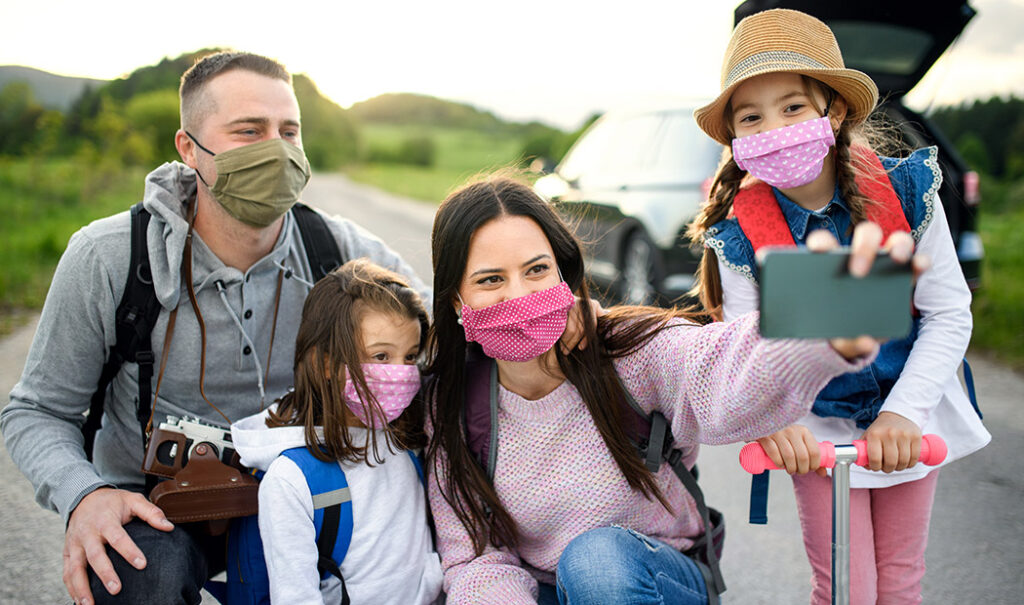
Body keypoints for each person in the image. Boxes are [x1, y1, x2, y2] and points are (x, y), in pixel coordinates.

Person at [0, 51, 430, 605]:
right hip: (159, 504)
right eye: (248, 130)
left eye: (289, 131)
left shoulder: (339, 252)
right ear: (189, 148)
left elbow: (440, 333)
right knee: (143, 575)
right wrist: (86, 494)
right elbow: (36, 410)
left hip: (310, 491)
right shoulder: (107, 258)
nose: (276, 148)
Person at [423, 173, 910, 605]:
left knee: (595, 560)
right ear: (456, 300)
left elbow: (715, 363)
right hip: (537, 592)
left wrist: (815, 332)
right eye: (491, 280)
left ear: (564, 275)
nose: (521, 296)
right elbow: (475, 560)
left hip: (651, 578)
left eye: (536, 270)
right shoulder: (451, 407)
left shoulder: (628, 351)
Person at [686, 9, 991, 604]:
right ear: (736, 139)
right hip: (816, 424)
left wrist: (904, 413)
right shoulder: (741, 235)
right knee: (842, 587)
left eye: (793, 107)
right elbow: (754, 351)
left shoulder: (906, 193)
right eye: (752, 117)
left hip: (910, 409)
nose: (773, 126)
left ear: (836, 109)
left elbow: (949, 313)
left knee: (901, 582)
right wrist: (782, 426)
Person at [230, 258, 443, 604]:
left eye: (410, 357)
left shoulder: (403, 442)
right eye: (381, 356)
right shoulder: (291, 480)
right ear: (326, 364)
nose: (402, 374)